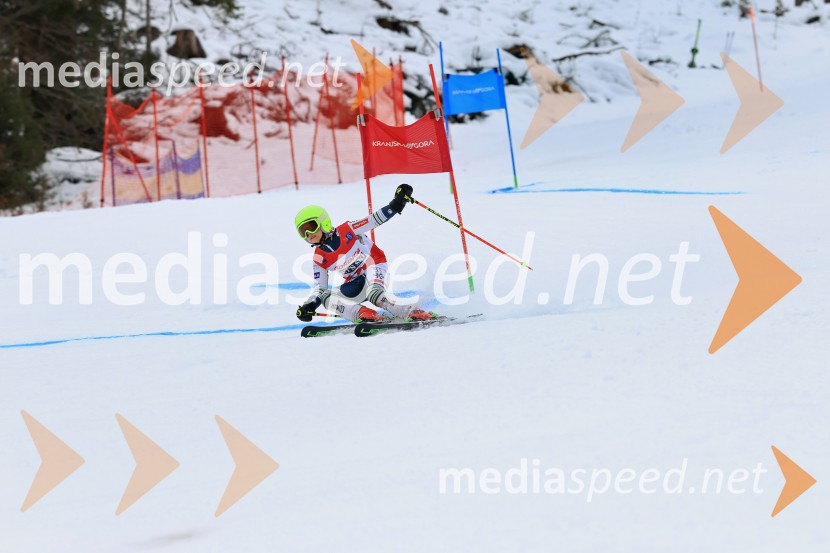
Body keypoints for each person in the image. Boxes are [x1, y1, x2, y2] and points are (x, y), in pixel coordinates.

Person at [294, 184, 437, 324]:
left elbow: (373, 220)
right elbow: (320, 289)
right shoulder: (319, 258)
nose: (308, 234)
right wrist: (310, 305)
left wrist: (396, 204)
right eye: (302, 232)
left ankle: (411, 311)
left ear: (323, 222)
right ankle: (365, 314)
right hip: (354, 284)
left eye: (310, 227)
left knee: (374, 294)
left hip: (375, 266)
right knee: (327, 298)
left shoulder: (347, 230)